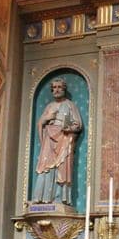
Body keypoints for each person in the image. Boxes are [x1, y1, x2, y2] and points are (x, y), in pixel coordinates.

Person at [33, 77, 83, 205]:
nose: (57, 90)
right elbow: (40, 124)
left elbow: (78, 125)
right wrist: (46, 119)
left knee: (61, 168)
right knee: (45, 168)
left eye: (59, 87)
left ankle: (59, 199)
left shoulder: (70, 105)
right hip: (49, 141)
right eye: (54, 87)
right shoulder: (49, 106)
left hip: (64, 139)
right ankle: (43, 199)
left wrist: (68, 128)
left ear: (64, 89)